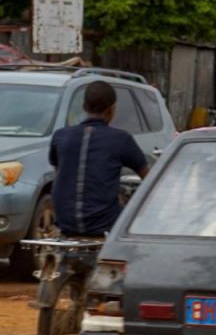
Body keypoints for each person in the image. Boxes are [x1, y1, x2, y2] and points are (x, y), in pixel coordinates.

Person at [48, 81, 149, 237]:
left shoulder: (60, 136)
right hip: (105, 223)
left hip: (65, 221)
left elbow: (59, 172)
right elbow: (148, 178)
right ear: (111, 110)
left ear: (83, 106)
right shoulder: (121, 139)